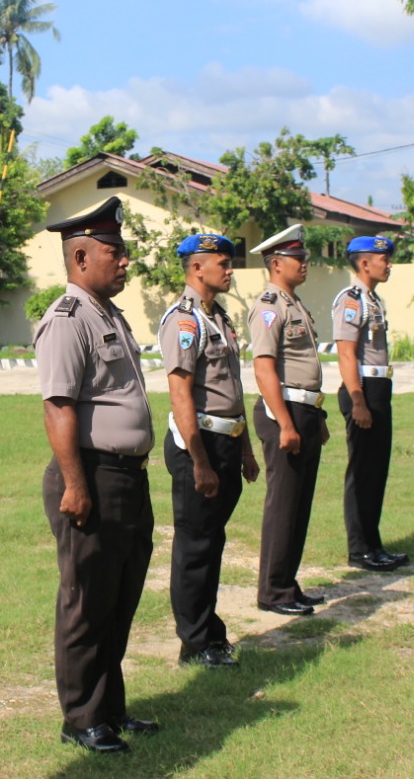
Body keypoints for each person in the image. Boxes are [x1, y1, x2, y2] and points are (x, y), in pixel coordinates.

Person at [36, 196, 158, 754]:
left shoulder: (110, 316)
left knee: (121, 595)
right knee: (87, 600)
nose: (126, 262)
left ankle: (111, 707)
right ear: (81, 256)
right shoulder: (67, 320)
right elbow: (58, 408)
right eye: (116, 251)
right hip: (92, 474)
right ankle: (81, 716)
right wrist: (77, 484)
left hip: (127, 476)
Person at [158, 233, 258, 668]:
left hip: (227, 441)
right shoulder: (182, 321)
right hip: (199, 444)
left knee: (213, 542)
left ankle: (209, 631)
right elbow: (181, 395)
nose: (230, 270)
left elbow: (233, 390)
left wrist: (247, 450)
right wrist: (200, 461)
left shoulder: (219, 317)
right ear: (197, 267)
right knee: (195, 546)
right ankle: (194, 642)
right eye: (223, 262)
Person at [247, 224, 331, 615]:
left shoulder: (294, 303)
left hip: (305, 410)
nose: (305, 264)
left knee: (299, 505)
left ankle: (287, 583)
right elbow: (264, 369)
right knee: (284, 505)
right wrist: (285, 423)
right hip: (285, 411)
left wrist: (318, 415)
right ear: (276, 263)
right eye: (299, 259)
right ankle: (273, 591)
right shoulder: (269, 306)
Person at [332, 235, 410, 572]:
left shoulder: (372, 299)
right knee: (362, 472)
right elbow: (346, 354)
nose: (389, 264)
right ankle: (360, 548)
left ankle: (373, 542)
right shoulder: (351, 300)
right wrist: (358, 400)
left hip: (379, 386)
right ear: (365, 263)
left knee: (376, 471)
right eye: (384, 258)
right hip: (362, 389)